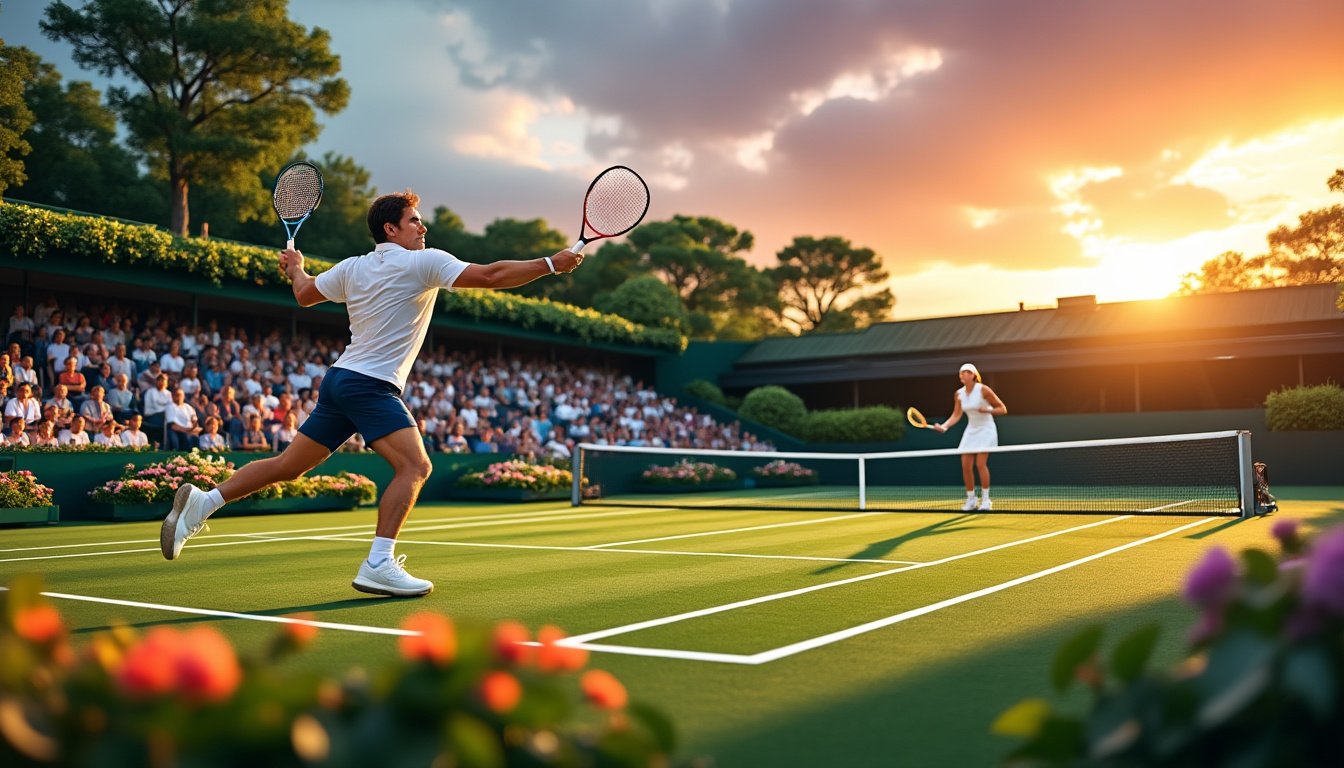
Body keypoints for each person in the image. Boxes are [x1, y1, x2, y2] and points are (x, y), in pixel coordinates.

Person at [163, 190, 584, 597]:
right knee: (415, 468)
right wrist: (551, 263)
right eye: (414, 220)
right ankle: (379, 565)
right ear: (391, 229)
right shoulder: (424, 263)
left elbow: (305, 294)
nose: (423, 226)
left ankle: (204, 502)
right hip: (370, 384)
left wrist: (296, 267)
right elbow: (491, 275)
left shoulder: (352, 267)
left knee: (289, 465)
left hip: (340, 379)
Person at [932, 363, 1008, 511]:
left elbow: (1003, 409)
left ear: (973, 375)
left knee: (980, 464)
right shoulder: (959, 394)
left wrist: (987, 409)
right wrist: (944, 426)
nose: (963, 375)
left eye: (967, 372)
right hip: (971, 430)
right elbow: (956, 415)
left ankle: (986, 500)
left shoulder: (984, 390)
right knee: (966, 465)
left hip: (986, 429)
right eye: (961, 373)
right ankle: (971, 500)